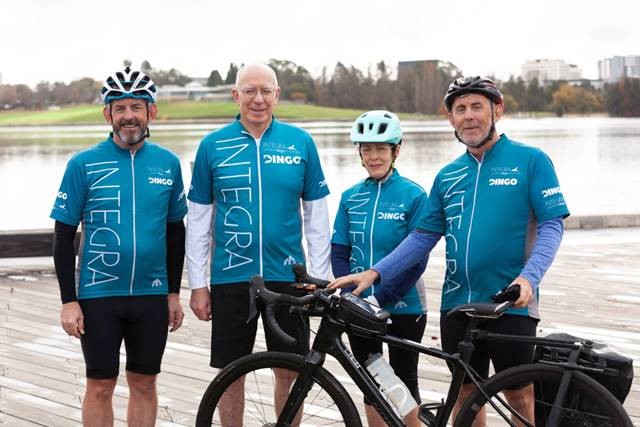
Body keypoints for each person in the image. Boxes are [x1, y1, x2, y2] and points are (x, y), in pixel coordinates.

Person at [331, 76, 570, 425]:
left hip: (511, 301)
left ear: (497, 111)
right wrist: (375, 272)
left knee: (519, 394)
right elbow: (422, 237)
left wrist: (529, 278)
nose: (469, 116)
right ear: (451, 119)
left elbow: (552, 225)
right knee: (465, 394)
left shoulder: (531, 161)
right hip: (457, 305)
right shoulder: (447, 176)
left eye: (477, 107)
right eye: (460, 109)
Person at [186, 62, 331, 425]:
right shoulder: (212, 146)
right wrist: (198, 284)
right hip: (231, 277)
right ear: (236, 95)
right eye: (249, 90)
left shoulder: (301, 143)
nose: (258, 99)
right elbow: (199, 222)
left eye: (266, 91)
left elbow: (316, 217)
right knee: (231, 372)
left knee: (291, 371)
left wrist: (321, 277)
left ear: (277, 96)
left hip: (290, 277)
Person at [50, 63, 187, 427]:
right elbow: (63, 236)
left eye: (136, 107)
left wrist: (173, 293)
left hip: (152, 294)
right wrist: (68, 300)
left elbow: (176, 232)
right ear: (107, 113)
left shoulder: (169, 164)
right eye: (120, 107)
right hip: (97, 295)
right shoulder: (83, 164)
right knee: (100, 384)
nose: (129, 116)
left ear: (151, 112)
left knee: (144, 382)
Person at [332, 110, 428, 426]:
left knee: (402, 382)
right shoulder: (350, 197)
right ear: (359, 153)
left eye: (381, 149)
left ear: (396, 151)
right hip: (360, 305)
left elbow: (417, 259)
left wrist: (380, 296)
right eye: (367, 149)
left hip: (405, 304)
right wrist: (354, 297)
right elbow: (339, 254)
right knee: (370, 383)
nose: (374, 156)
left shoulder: (414, 195)